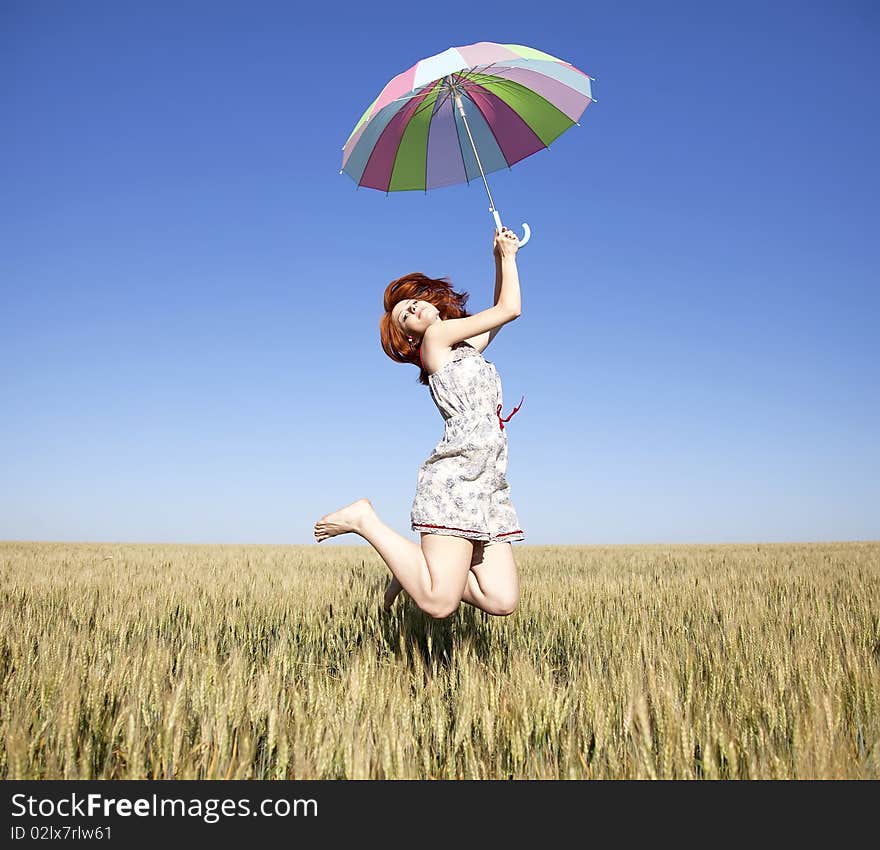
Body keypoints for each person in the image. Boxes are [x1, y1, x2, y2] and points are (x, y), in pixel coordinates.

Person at [314, 227, 525, 619]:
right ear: (409, 338)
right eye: (405, 317)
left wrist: (497, 256)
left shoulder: (461, 347)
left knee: (501, 600)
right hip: (457, 477)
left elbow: (497, 318)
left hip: (490, 480)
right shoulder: (437, 340)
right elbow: (510, 308)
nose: (413, 311)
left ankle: (417, 565)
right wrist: (512, 255)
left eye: (412, 303)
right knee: (437, 603)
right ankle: (365, 520)